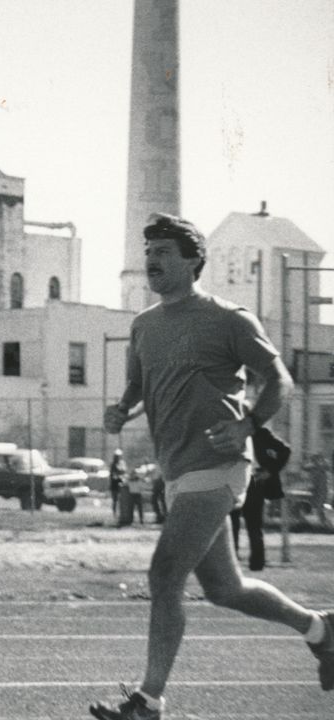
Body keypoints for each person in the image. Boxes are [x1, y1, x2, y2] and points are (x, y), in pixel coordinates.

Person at [91, 213, 333, 720]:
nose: (151, 259)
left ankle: (149, 701)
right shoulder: (143, 326)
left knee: (164, 575)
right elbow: (139, 387)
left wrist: (248, 426)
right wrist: (122, 409)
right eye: (148, 250)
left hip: (219, 464)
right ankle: (321, 630)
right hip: (177, 470)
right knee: (226, 589)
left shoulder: (228, 318)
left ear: (193, 260)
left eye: (162, 251)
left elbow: (279, 379)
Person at [230, 466, 268, 571]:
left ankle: (232, 562)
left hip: (237, 479)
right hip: (253, 478)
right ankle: (257, 563)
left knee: (233, 525)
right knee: (254, 526)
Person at [109, 449, 127, 518]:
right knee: (115, 500)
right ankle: (114, 514)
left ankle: (122, 513)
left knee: (122, 499)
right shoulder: (113, 464)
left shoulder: (122, 463)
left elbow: (124, 471)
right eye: (116, 456)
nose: (117, 457)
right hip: (114, 483)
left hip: (121, 482)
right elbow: (112, 474)